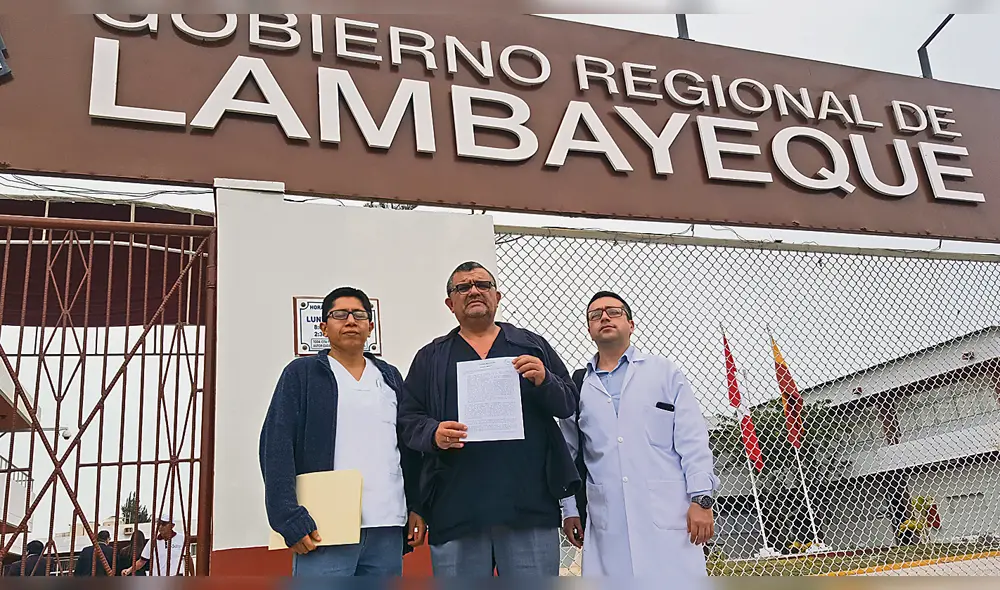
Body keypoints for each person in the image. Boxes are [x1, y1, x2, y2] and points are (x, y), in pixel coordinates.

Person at [398, 261, 580, 576]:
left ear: (497, 296)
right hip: (456, 509)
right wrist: (433, 433)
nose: (474, 291)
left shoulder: (530, 345)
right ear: (450, 303)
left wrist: (545, 379)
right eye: (463, 287)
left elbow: (567, 404)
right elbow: (408, 419)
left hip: (529, 506)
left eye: (482, 285)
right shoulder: (431, 357)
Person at [259, 286, 426, 576]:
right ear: (324, 327)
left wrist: (417, 506)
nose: (350, 321)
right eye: (340, 315)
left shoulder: (390, 377)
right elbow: (276, 445)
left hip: (387, 525)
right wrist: (286, 517)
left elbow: (408, 449)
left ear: (370, 327)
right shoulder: (302, 374)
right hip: (324, 527)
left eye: (359, 315)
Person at [559, 291, 719, 578]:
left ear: (631, 325)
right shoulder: (579, 385)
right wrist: (569, 509)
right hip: (607, 520)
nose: (604, 317)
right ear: (589, 330)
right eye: (595, 315)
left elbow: (692, 440)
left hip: (670, 515)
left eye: (613, 312)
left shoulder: (664, 373)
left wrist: (701, 499)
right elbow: (568, 453)